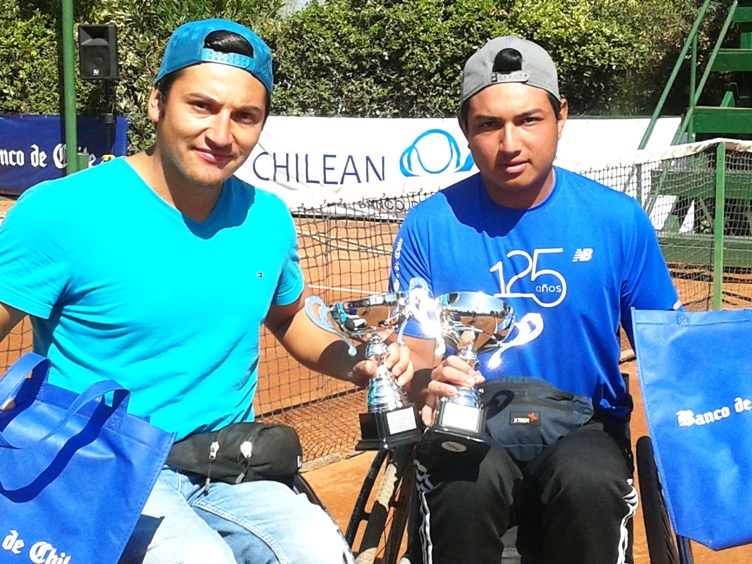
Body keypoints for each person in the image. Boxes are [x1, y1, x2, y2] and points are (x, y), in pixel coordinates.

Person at [0, 19, 413, 564]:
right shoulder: (60, 211)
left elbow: (289, 319)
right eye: (201, 106)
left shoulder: (266, 218)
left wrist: (359, 362)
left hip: (224, 462)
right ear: (156, 105)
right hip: (101, 462)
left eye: (245, 116)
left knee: (319, 553)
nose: (221, 134)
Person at [389, 36, 681, 564]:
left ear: (560, 116)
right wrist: (425, 382)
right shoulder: (427, 226)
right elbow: (414, 361)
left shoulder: (619, 220)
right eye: (488, 125)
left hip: (586, 425)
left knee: (589, 483)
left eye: (528, 120)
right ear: (465, 129)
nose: (510, 144)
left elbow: (668, 355)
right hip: (469, 420)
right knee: (461, 487)